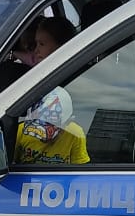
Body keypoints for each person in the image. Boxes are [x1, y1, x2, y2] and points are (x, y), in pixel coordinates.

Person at [14, 17, 86, 165]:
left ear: (62, 47)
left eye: (42, 44)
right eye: (36, 44)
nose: (36, 50)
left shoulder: (74, 83)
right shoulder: (31, 75)